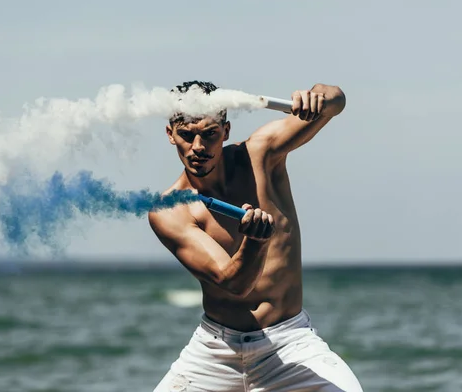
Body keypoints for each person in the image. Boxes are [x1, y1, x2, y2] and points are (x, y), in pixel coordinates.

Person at [148, 80, 363, 392]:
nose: (198, 146)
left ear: (226, 131)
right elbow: (234, 283)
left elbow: (336, 102)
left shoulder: (261, 154)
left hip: (290, 344)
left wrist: (318, 98)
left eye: (209, 134)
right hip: (214, 353)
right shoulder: (170, 210)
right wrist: (256, 240)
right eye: (187, 134)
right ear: (171, 134)